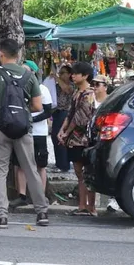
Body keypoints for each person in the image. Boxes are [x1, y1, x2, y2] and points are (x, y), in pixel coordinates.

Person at [0, 38, 48, 229]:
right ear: (18, 56)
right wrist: (21, 113)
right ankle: (42, 212)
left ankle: (2, 216)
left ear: (1, 54)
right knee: (30, 169)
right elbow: (37, 105)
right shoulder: (29, 76)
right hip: (23, 129)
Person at [58, 61, 97, 216]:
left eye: (75, 73)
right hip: (74, 138)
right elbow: (70, 114)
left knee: (87, 173)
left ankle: (91, 206)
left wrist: (66, 132)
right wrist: (62, 130)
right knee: (79, 172)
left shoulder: (89, 94)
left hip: (84, 138)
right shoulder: (76, 93)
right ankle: (82, 205)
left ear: (85, 76)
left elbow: (81, 117)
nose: (72, 76)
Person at [15, 61, 52, 210]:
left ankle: (40, 196)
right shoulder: (16, 87)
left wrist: (30, 119)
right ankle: (22, 195)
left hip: (38, 132)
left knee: (40, 165)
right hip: (22, 131)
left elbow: (48, 111)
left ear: (33, 72)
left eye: (26, 70)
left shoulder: (42, 89)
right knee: (20, 165)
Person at [50, 64, 73, 172]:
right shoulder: (57, 85)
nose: (61, 75)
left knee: (61, 138)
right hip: (56, 112)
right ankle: (59, 162)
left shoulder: (71, 85)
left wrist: (56, 77)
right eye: (60, 73)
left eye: (63, 73)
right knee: (54, 137)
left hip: (65, 113)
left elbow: (66, 89)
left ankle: (64, 164)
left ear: (69, 74)